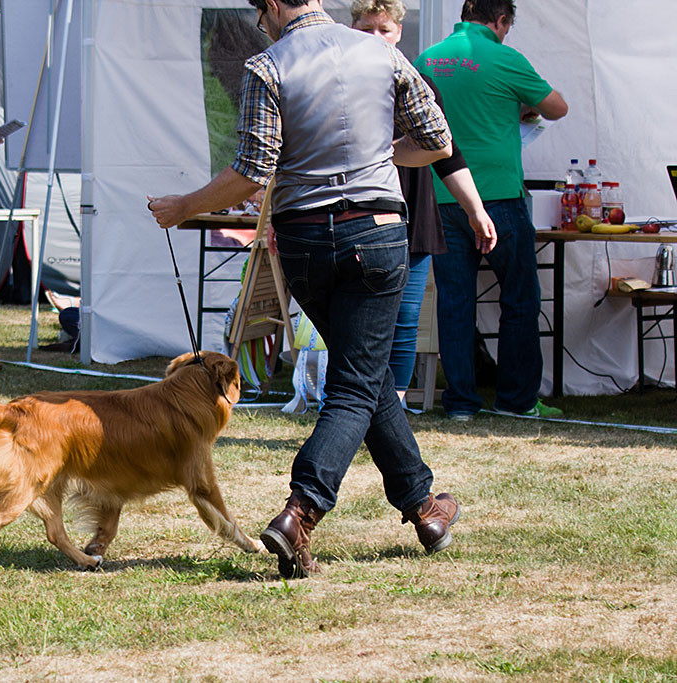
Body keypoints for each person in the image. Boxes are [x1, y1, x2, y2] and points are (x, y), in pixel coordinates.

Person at [149, 0, 459, 578]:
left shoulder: (266, 65)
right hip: (378, 232)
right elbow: (437, 141)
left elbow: (251, 171)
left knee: (358, 375)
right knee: (358, 380)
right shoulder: (382, 52)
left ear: (270, 6)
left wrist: (185, 206)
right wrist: (383, 154)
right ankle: (301, 511)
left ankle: (423, 505)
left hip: (306, 240)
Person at [416, 0, 568, 421]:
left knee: (455, 302)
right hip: (500, 194)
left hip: (445, 195)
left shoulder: (427, 59)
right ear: (501, 20)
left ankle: (461, 403)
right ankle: (516, 400)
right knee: (519, 297)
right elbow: (557, 108)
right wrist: (519, 106)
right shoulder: (504, 57)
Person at [349, 0, 497, 407]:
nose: (376, 38)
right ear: (351, 28)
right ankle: (355, 406)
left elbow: (449, 154)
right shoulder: (339, 84)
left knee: (405, 321)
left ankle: (391, 411)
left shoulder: (419, 84)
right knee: (359, 325)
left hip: (414, 219)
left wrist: (475, 210)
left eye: (384, 30)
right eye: (367, 29)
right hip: (357, 220)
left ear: (399, 32)